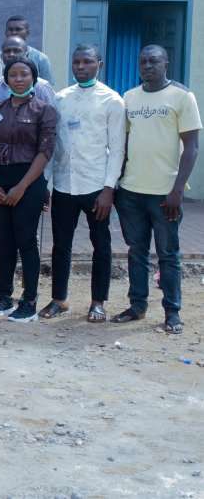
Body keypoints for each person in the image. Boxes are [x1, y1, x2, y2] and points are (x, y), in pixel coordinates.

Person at [113, 45, 200, 335]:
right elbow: (123, 146)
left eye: (154, 61)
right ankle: (137, 305)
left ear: (166, 63)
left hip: (165, 194)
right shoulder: (129, 97)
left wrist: (177, 190)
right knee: (136, 251)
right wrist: (117, 184)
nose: (148, 65)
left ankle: (172, 312)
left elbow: (191, 148)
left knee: (168, 254)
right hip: (132, 191)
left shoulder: (182, 96)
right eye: (143, 61)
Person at [42, 44, 124, 322]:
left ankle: (98, 302)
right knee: (60, 245)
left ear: (98, 64)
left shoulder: (112, 100)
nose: (80, 67)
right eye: (76, 62)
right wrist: (47, 183)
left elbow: (118, 148)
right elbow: (54, 145)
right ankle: (58, 299)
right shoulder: (61, 98)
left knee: (100, 244)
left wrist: (109, 189)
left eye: (87, 62)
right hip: (65, 184)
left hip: (95, 186)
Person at [0, 57, 58, 322]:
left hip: (28, 180)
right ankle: (4, 297)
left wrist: (21, 187)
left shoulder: (44, 110)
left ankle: (29, 301)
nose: (19, 79)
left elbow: (45, 152)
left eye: (24, 74)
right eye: (13, 75)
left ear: (33, 78)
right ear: (6, 80)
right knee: (5, 241)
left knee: (26, 240)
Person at [0, 36, 56, 104]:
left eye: (16, 51)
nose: (11, 54)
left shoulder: (42, 87)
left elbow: (53, 112)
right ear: (1, 55)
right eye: (7, 51)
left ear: (26, 53)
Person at [5, 15, 53, 83]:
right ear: (5, 32)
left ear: (27, 32)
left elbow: (47, 87)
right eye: (10, 30)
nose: (14, 32)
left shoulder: (41, 59)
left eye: (18, 29)